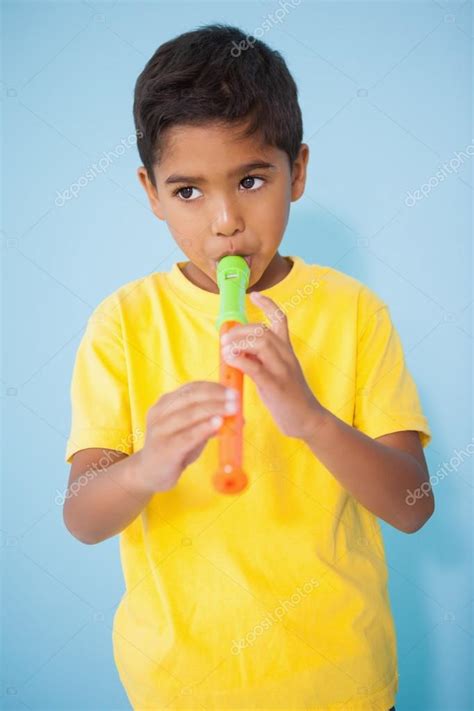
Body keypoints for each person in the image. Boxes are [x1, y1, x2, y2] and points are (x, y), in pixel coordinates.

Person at [63, 23, 433, 711]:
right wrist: (144, 467)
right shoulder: (123, 322)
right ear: (150, 192)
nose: (227, 222)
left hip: (341, 681)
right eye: (188, 192)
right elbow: (82, 517)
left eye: (252, 179)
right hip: (179, 687)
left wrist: (312, 420)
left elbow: (413, 506)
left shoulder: (355, 313)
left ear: (299, 171)